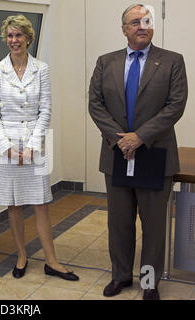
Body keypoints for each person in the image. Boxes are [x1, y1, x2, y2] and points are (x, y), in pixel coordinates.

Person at [88, 4, 188, 300]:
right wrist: (120, 139)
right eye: (135, 22)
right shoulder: (106, 62)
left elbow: (176, 105)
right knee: (119, 223)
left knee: (154, 225)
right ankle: (120, 276)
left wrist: (140, 137)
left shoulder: (171, 61)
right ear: (124, 29)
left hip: (155, 154)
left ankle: (148, 282)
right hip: (116, 153)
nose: (142, 26)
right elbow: (95, 103)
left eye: (147, 21)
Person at [0, 15, 79, 281]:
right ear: (6, 39)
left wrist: (32, 146)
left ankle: (52, 260)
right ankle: (21, 256)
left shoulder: (42, 68)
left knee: (40, 203)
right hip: (6, 144)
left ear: (29, 38)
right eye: (10, 35)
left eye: (19, 35)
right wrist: (5, 146)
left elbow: (45, 109)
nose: (14, 40)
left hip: (33, 144)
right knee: (13, 204)